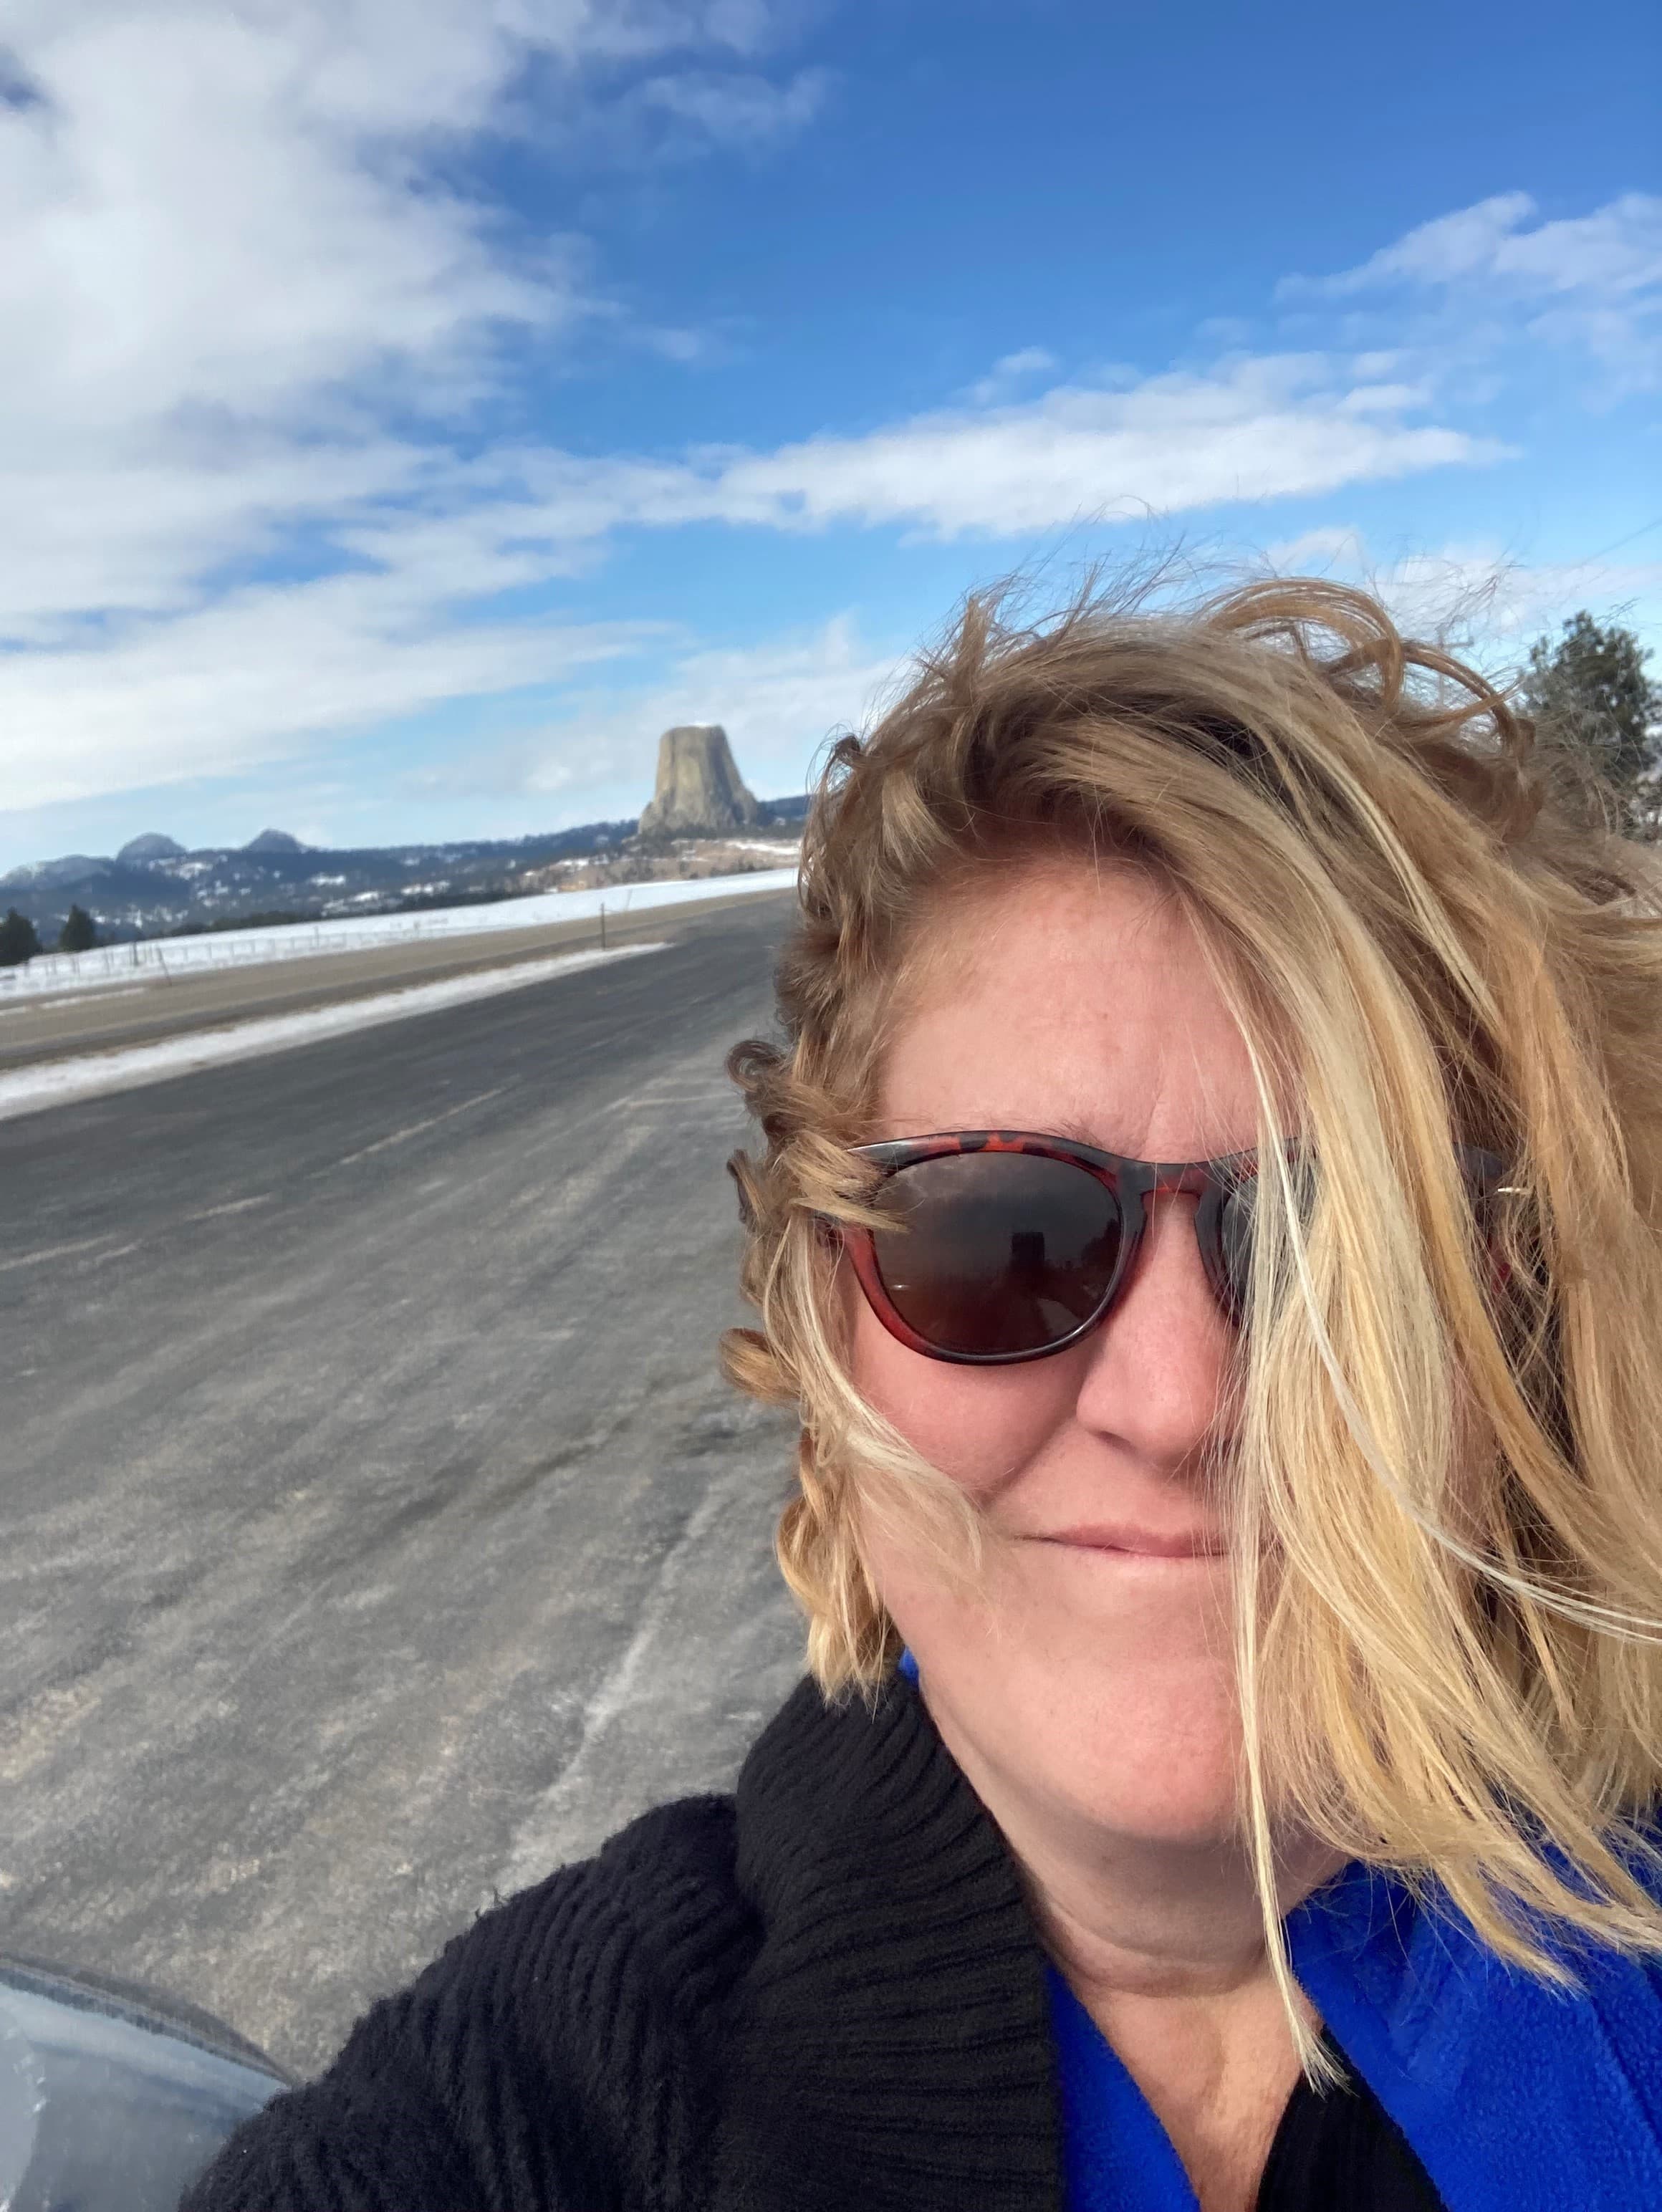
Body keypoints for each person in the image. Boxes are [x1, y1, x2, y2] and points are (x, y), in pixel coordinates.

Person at [185, 577, 1662, 2212]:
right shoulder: (529, 2112)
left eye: (1340, 1245)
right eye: (999, 1237)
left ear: (1520, 1303)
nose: (1178, 1403)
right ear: (826, 1329)